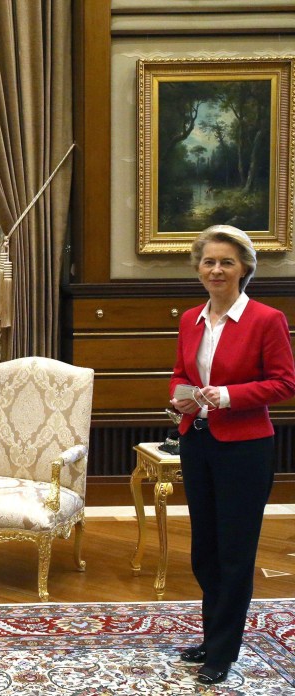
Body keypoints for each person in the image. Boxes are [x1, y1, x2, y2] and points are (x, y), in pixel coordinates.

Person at [169, 224, 295, 685]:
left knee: (234, 553)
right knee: (204, 550)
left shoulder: (266, 319)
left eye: (226, 262)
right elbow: (182, 371)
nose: (216, 270)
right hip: (197, 441)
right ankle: (213, 635)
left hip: (245, 449)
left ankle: (222, 652)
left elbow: (285, 383)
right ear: (198, 269)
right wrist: (181, 396)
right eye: (208, 262)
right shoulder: (189, 319)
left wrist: (225, 396)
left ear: (244, 268)